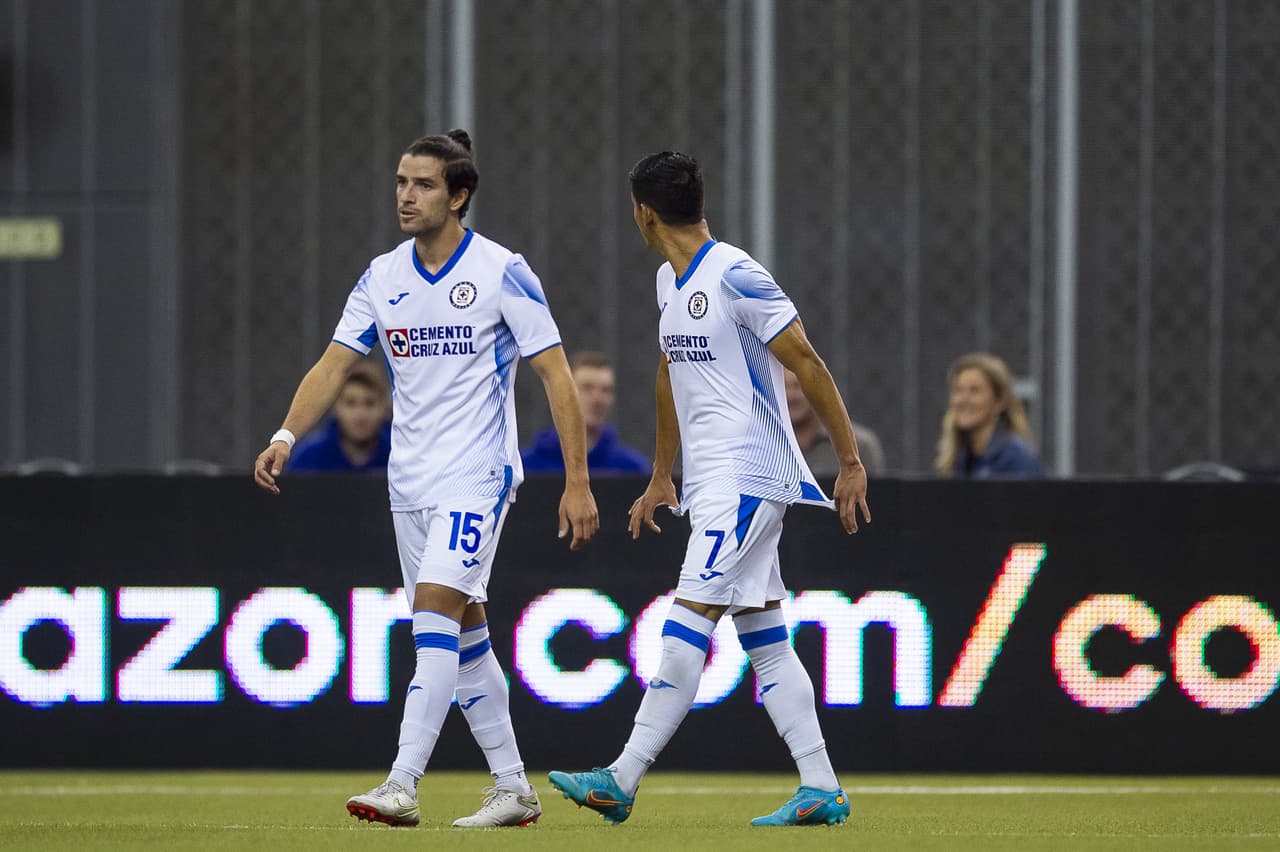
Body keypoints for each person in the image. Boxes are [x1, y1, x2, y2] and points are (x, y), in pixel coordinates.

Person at [253, 130, 599, 829]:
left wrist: (577, 479)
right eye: (401, 182)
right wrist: (286, 433)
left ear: (460, 195)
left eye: (423, 185)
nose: (406, 196)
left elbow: (555, 373)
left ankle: (402, 782)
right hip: (407, 482)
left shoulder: (504, 270)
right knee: (466, 635)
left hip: (478, 473)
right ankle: (514, 789)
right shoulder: (382, 277)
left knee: (433, 617)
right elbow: (332, 365)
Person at [548, 151, 870, 828]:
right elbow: (670, 375)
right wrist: (663, 473)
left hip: (749, 474)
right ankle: (821, 786)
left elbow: (805, 360)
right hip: (712, 480)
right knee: (764, 635)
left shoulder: (737, 273)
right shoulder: (671, 282)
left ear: (642, 212)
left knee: (687, 618)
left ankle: (622, 776)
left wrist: (847, 459)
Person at [521, 351, 650, 475]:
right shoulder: (525, 467)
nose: (597, 398)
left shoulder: (632, 468)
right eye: (587, 387)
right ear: (565, 393)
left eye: (606, 390)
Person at [933, 352, 1045, 479]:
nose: (962, 400)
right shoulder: (959, 458)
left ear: (1000, 401)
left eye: (974, 390)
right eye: (957, 390)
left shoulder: (1018, 459)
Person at [287, 361, 392, 473]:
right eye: (350, 403)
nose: (360, 414)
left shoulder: (400, 453)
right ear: (335, 407)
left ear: (385, 408)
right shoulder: (309, 457)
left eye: (369, 403)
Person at [784, 368, 886, 477]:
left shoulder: (857, 446)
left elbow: (873, 492)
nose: (790, 395)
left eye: (798, 386)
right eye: (783, 387)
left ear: (817, 391)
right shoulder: (764, 446)